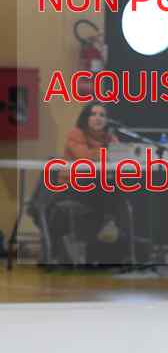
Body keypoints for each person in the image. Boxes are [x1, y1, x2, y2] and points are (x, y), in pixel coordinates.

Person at [50, 102, 128, 265]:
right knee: (106, 185)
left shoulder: (110, 137)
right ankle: (108, 222)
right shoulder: (76, 134)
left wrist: (112, 150)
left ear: (107, 120)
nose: (98, 118)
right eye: (93, 114)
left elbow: (120, 156)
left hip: (96, 190)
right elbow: (84, 157)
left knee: (114, 185)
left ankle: (111, 235)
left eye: (102, 115)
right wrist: (107, 151)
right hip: (71, 186)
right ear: (85, 118)